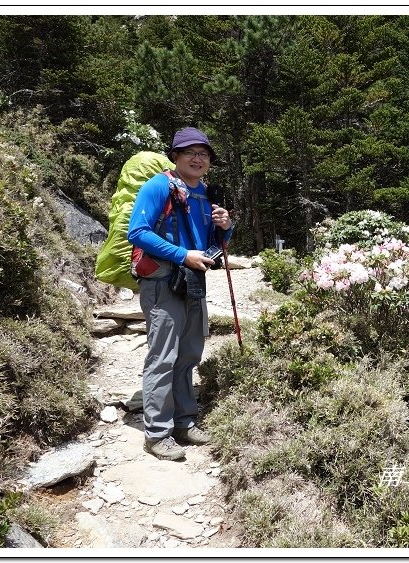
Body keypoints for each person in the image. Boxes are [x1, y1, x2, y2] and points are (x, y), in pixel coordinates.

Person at [127, 126, 233, 461]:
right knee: (163, 357)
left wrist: (226, 227)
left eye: (203, 154)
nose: (198, 158)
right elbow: (137, 231)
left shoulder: (206, 194)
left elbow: (213, 246)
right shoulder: (159, 186)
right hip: (162, 281)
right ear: (175, 156)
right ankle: (157, 433)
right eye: (190, 152)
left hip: (191, 281)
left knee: (188, 354)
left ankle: (185, 422)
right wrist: (181, 255)